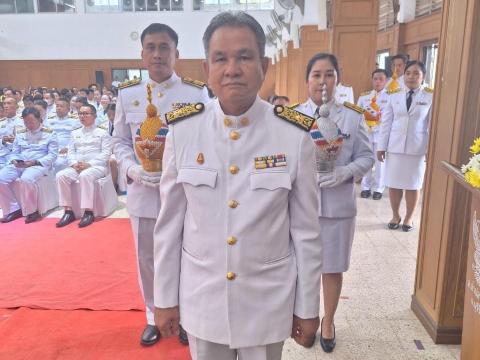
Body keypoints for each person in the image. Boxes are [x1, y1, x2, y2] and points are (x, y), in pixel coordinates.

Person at [153, 12, 322, 360]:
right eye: (221, 58)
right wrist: (165, 298)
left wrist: (307, 304)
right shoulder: (183, 132)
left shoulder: (293, 134)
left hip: (267, 300)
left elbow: (306, 231)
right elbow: (169, 226)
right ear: (206, 68)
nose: (232, 69)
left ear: (264, 64)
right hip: (204, 298)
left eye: (244, 57)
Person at [112, 22, 211, 347]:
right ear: (142, 55)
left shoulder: (195, 93)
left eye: (164, 47)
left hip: (183, 194)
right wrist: (132, 170)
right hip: (143, 191)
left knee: (185, 256)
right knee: (147, 258)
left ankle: (183, 316)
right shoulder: (128, 94)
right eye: (151, 47)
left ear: (176, 53)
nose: (157, 54)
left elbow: (206, 141)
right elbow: (120, 142)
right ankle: (154, 316)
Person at [295, 53, 373, 353]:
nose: (322, 81)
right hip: (303, 206)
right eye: (316, 75)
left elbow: (366, 157)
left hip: (338, 207)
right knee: (304, 268)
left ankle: (328, 321)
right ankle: (307, 318)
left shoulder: (352, 116)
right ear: (307, 80)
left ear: (337, 79)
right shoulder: (294, 116)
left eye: (329, 74)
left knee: (332, 269)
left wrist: (345, 173)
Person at [377, 60, 433, 232]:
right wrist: (381, 146)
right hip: (395, 147)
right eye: (408, 73)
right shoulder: (394, 94)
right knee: (393, 184)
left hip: (417, 149)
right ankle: (395, 215)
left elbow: (432, 125)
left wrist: (430, 149)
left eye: (416, 73)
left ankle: (408, 218)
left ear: (423, 76)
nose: (411, 76)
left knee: (413, 185)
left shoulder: (430, 96)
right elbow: (386, 122)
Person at [55, 104, 112, 228]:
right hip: (77, 166)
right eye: (80, 113)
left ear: (94, 116)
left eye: (86, 113)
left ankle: (88, 211)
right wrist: (74, 163)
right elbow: (70, 152)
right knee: (61, 175)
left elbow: (106, 153)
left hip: (97, 166)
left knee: (85, 175)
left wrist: (89, 164)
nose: (82, 116)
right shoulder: (75, 133)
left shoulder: (102, 132)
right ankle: (68, 211)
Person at [0, 107, 58, 223]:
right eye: (26, 122)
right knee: (1, 178)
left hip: (39, 164)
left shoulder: (50, 133)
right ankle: (13, 209)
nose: (28, 125)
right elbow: (15, 152)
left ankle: (32, 211)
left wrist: (35, 162)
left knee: (26, 179)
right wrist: (15, 161)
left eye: (31, 122)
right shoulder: (21, 133)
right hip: (21, 163)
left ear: (39, 119)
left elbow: (52, 155)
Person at [357, 68, 389, 199]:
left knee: (380, 163)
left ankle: (379, 189)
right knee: (367, 161)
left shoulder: (391, 96)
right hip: (366, 134)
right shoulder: (364, 96)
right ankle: (365, 187)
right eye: (375, 78)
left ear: (386, 80)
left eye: (381, 79)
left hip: (381, 134)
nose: (377, 81)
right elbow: (358, 114)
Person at [44, 97, 81, 172]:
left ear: (68, 108)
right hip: (50, 149)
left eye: (61, 106)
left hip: (66, 150)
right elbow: (44, 135)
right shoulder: (49, 119)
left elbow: (78, 138)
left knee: (58, 163)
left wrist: (68, 148)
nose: (59, 108)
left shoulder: (75, 120)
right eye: (57, 106)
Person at [0, 98, 24, 168]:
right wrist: (2, 141)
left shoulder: (23, 121)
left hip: (17, 155)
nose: (5, 106)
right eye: (4, 104)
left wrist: (16, 140)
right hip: (2, 154)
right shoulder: (1, 122)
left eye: (9, 103)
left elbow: (30, 140)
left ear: (17, 106)